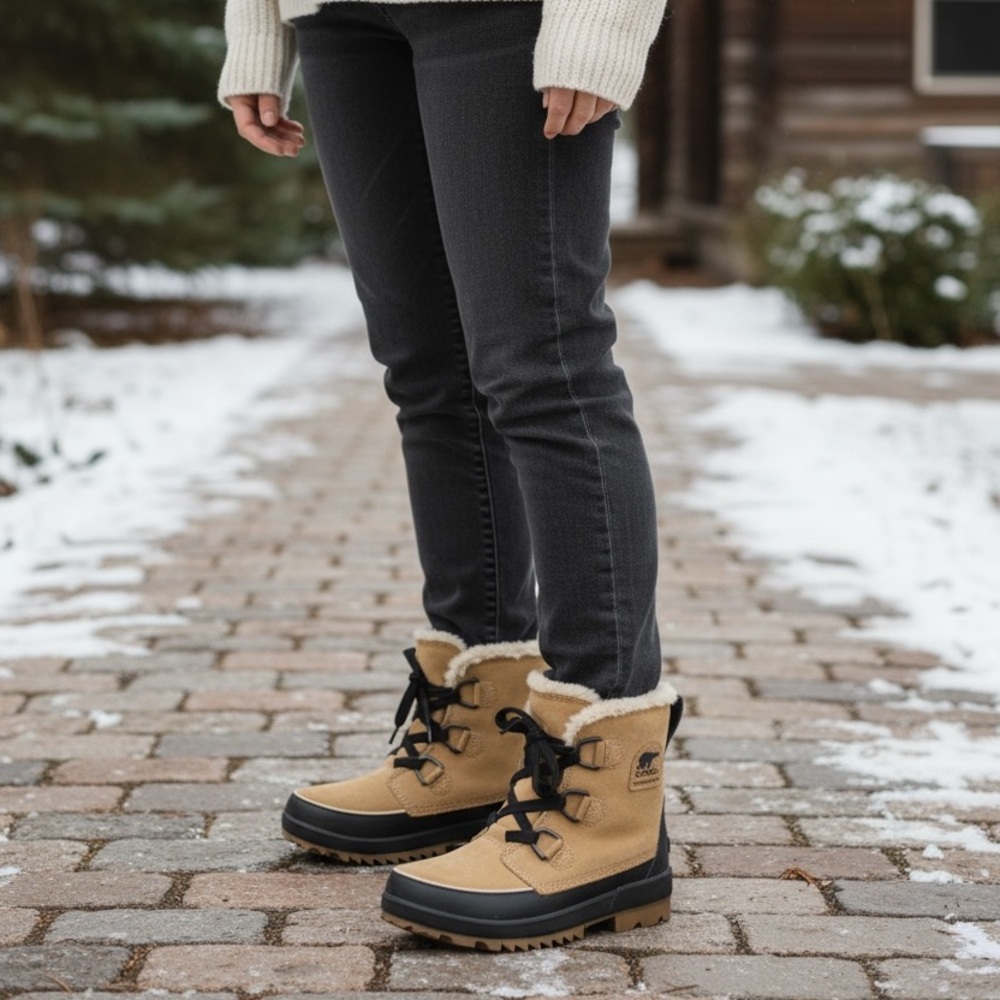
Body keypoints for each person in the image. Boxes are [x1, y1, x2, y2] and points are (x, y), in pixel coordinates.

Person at [219, 0, 682, 951]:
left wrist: (602, 21)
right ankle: (479, 733)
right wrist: (258, 25)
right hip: (342, 18)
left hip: (498, 13)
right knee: (427, 373)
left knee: (543, 366)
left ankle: (611, 795)